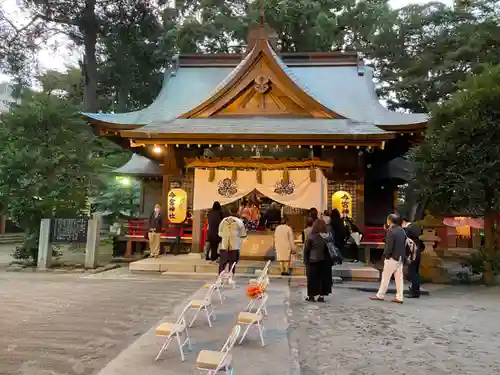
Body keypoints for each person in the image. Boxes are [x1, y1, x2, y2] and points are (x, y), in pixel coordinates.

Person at [370, 214, 406, 303]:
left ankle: (380, 295)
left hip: (392, 257)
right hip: (400, 257)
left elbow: (389, 246)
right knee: (399, 278)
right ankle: (399, 296)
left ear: (390, 221)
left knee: (385, 277)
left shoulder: (391, 231)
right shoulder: (402, 230)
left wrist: (386, 255)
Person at [303, 219, 333, 302]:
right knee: (323, 279)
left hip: (313, 260)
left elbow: (306, 250)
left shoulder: (311, 236)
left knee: (312, 279)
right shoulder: (328, 236)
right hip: (325, 261)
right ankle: (321, 296)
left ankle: (311, 296)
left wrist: (305, 260)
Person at [402, 217, 423, 298]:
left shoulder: (408, 229)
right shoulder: (414, 227)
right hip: (417, 252)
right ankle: (415, 290)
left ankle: (415, 292)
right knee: (415, 273)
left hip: (412, 253)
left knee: (413, 273)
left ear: (404, 221)